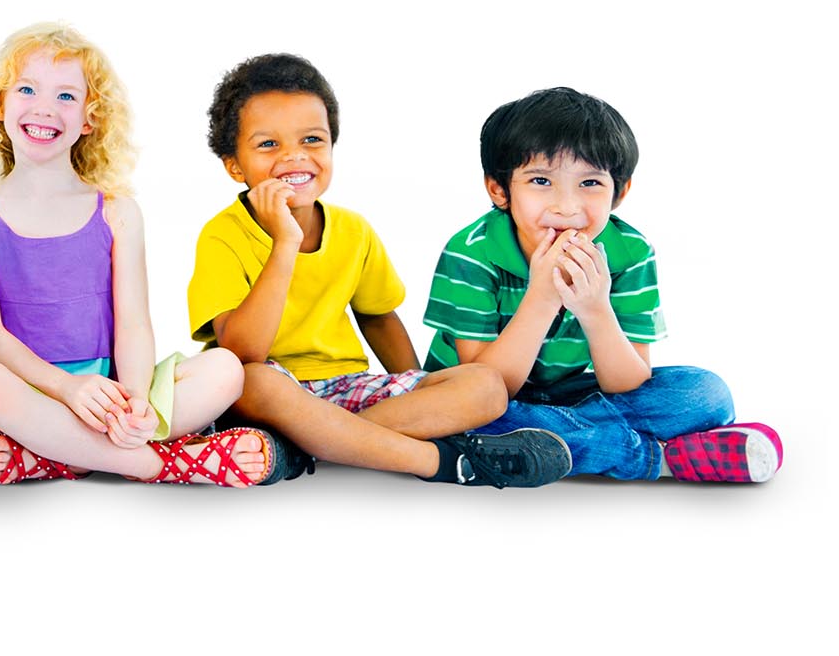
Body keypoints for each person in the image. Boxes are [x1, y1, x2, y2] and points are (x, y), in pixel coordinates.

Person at [190, 54, 571, 488]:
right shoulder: (221, 235)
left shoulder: (353, 230)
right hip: (271, 392)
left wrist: (419, 386)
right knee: (252, 380)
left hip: (345, 389)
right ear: (234, 165)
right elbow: (243, 352)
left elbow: (378, 317)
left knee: (485, 386)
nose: (294, 157)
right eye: (268, 145)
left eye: (312, 139)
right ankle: (436, 461)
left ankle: (314, 443)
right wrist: (285, 243)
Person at [0, 23, 266, 486]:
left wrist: (136, 401)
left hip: (110, 394)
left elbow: (134, 322)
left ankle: (59, 457)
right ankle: (160, 464)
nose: (44, 107)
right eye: (26, 89)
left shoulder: (118, 212)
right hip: (29, 394)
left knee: (224, 369)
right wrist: (67, 388)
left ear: (90, 117)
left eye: (66, 96)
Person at [423, 86, 782, 482]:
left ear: (620, 192)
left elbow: (627, 382)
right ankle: (651, 457)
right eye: (541, 181)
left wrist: (595, 310)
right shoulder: (471, 252)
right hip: (482, 399)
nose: (568, 207)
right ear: (499, 189)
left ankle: (542, 442)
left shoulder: (629, 252)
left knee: (706, 395)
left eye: (590, 183)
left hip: (576, 393)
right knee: (462, 415)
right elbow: (486, 383)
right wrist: (541, 298)